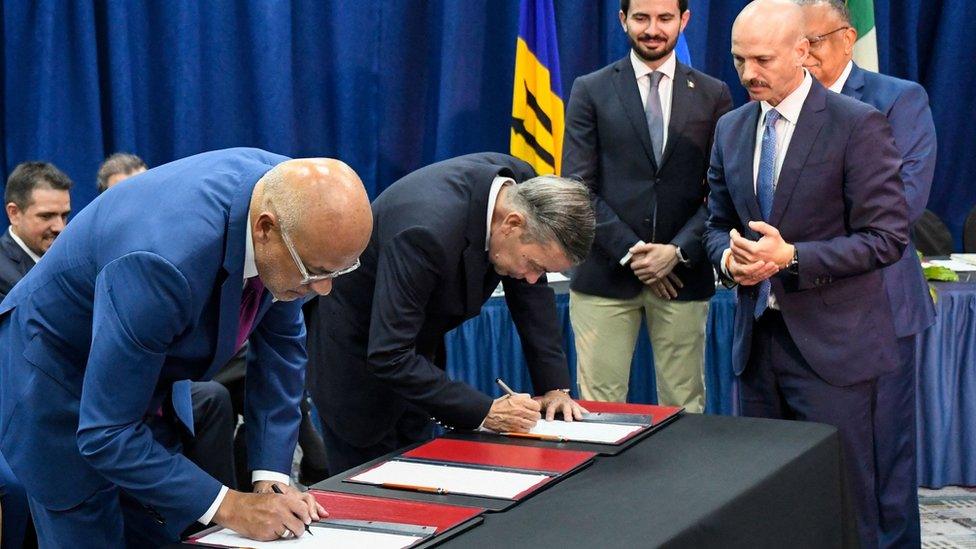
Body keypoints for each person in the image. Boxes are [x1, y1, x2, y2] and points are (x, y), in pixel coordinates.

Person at [0, 147, 373, 545]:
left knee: (161, 532)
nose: (323, 289)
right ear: (264, 229)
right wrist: (232, 505)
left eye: (338, 271)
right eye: (315, 271)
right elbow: (106, 433)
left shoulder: (291, 200)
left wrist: (271, 481)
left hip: (145, 377)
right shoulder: (163, 262)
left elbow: (281, 349)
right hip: (55, 386)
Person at [702, 1, 909, 547]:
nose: (748, 73)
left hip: (836, 351)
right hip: (757, 347)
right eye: (739, 59)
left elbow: (885, 238)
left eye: (763, 59)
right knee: (768, 504)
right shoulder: (730, 127)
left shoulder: (858, 125)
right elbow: (717, 224)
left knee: (845, 502)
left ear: (803, 51)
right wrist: (729, 259)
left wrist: (790, 257)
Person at [306, 152, 596, 474]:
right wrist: (485, 411)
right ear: (512, 224)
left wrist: (555, 387)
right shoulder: (425, 231)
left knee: (422, 488)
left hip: (416, 355)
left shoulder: (523, 190)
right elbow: (389, 354)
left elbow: (530, 294)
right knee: (373, 501)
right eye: (534, 265)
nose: (532, 277)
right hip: (357, 364)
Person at [797, 1, 937, 544]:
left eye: (815, 41)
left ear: (849, 37)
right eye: (797, 44)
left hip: (878, 310)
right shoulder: (776, 104)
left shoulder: (897, 99)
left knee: (884, 462)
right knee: (814, 464)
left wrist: (803, 241)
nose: (803, 54)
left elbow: (904, 204)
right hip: (800, 309)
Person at [563, 0, 732, 410]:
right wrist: (635, 254)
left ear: (684, 20)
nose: (652, 28)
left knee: (685, 408)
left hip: (683, 277)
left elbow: (722, 191)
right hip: (605, 275)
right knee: (600, 411)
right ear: (623, 20)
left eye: (664, 18)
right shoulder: (591, 89)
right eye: (641, 17)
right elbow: (578, 188)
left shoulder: (713, 94)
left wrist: (674, 252)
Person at [1, 162, 72, 301]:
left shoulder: (71, 260)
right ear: (14, 213)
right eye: (46, 216)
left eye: (64, 215)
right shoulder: (3, 274)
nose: (60, 227)